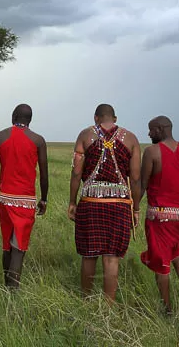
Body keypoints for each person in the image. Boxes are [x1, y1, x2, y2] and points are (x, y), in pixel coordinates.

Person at [0, 103, 49, 289]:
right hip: (26, 202)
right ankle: (12, 293)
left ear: (13, 117)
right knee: (19, 248)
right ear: (30, 120)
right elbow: (44, 173)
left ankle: (7, 287)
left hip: (4, 199)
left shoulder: (0, 136)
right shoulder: (38, 140)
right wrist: (44, 199)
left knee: (7, 245)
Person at [68, 103, 141, 303]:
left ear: (95, 118)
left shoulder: (85, 135)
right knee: (111, 257)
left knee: (89, 254)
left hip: (90, 202)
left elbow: (76, 173)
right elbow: (135, 179)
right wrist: (135, 209)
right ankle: (108, 306)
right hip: (119, 205)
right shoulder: (131, 139)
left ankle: (86, 299)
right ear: (114, 118)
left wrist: (72, 202)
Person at [140, 116, 179, 315]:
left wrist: (132, 208)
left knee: (161, 264)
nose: (149, 134)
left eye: (151, 130)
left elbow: (142, 184)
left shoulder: (151, 152)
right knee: (175, 246)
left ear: (160, 129)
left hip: (159, 217)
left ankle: (167, 309)